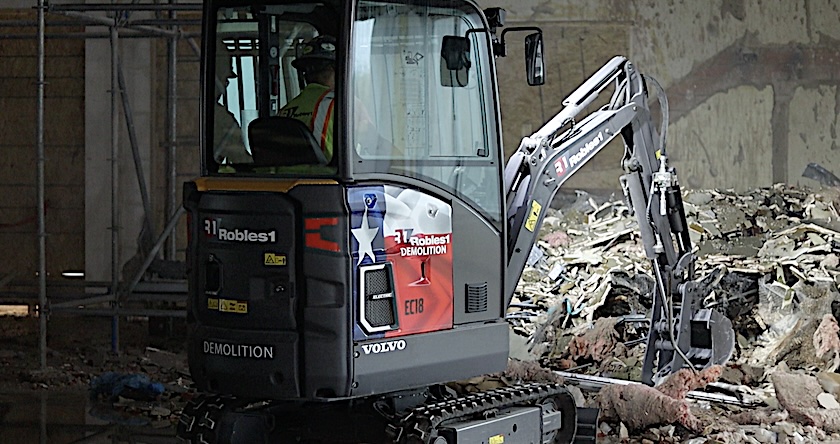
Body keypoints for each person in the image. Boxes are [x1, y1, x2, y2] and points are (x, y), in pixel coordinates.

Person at [280, 35, 336, 162]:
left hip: (285, 180)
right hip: (326, 179)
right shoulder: (341, 105)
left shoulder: (285, 111)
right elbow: (377, 146)